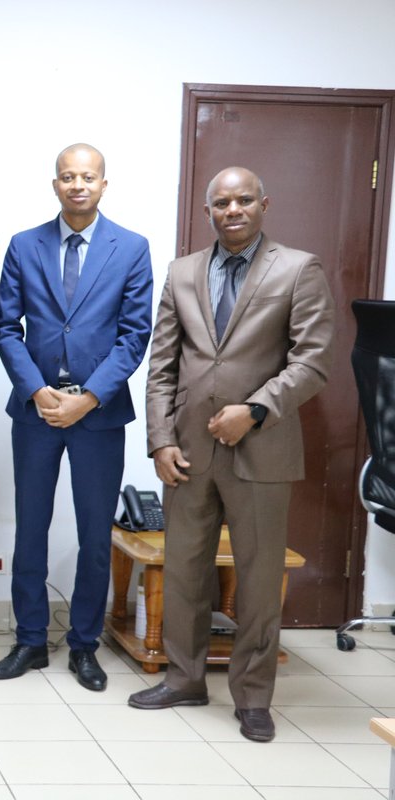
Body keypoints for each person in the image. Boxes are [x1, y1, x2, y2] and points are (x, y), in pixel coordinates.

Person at [127, 167, 334, 742]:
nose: (233, 209)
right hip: (188, 453)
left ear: (264, 204)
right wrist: (161, 440)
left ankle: (252, 697)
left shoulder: (297, 268)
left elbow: (313, 360)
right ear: (208, 211)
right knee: (185, 573)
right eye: (221, 202)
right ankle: (184, 679)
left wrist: (257, 409)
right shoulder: (182, 272)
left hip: (261, 452)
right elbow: (162, 366)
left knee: (259, 580)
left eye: (244, 200)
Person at [0, 144, 153, 692]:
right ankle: (31, 640)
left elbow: (135, 336)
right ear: (54, 184)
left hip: (98, 417)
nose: (77, 184)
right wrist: (36, 390)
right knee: (30, 529)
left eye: (88, 176)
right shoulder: (23, 245)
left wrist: (89, 397)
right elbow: (5, 327)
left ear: (104, 184)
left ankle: (84, 645)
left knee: (92, 534)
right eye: (67, 176)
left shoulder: (131, 248)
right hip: (36, 412)